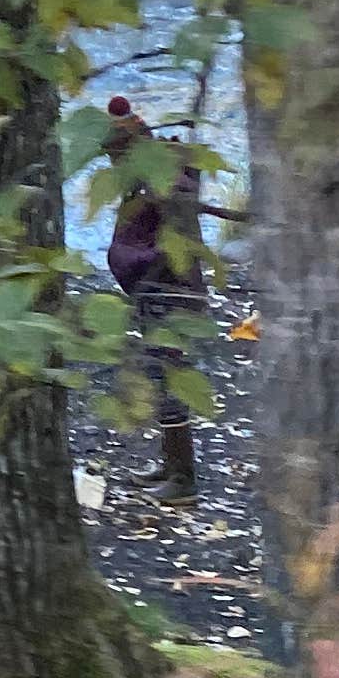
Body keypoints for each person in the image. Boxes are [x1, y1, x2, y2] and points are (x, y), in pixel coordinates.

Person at [104, 98, 206, 503]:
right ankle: (171, 465)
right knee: (159, 375)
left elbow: (172, 238)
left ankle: (183, 480)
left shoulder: (161, 178)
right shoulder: (143, 178)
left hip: (171, 294)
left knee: (170, 380)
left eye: (115, 154)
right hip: (155, 294)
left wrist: (136, 264)